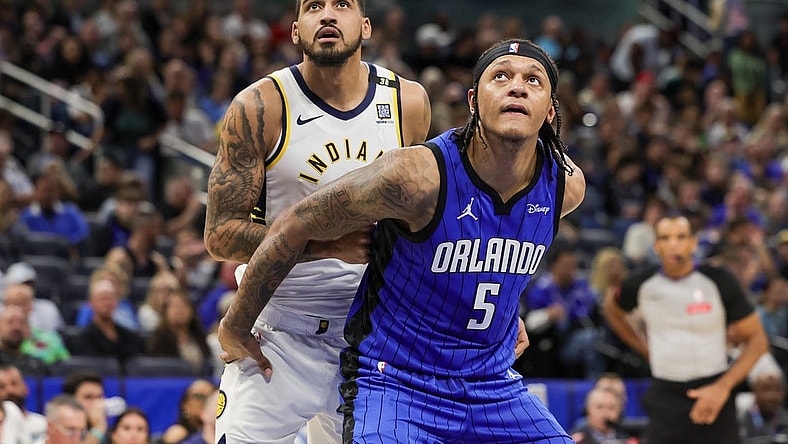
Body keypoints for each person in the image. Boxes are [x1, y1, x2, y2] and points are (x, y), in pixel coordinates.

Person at [219, 38, 585, 443]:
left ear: (550, 111)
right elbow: (293, 222)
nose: (516, 87)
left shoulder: (566, 186)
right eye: (500, 77)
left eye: (533, 80)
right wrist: (236, 323)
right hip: (397, 381)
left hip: (492, 383)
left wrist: (502, 309)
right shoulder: (414, 177)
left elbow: (492, 246)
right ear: (473, 102)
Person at [203, 0, 430, 442]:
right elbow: (220, 236)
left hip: (370, 335)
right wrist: (324, 245)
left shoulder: (408, 102)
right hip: (276, 333)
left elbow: (426, 217)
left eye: (341, 5)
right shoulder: (259, 106)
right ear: (295, 30)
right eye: (313, 7)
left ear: (364, 26)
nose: (327, 15)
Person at [603, 213, 769, 444]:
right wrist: (644, 348)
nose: (673, 244)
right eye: (665, 237)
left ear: (693, 242)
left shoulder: (719, 281)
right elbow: (613, 309)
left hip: (715, 389)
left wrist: (722, 387)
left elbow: (758, 341)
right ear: (656, 245)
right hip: (665, 394)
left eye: (681, 237)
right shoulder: (640, 284)